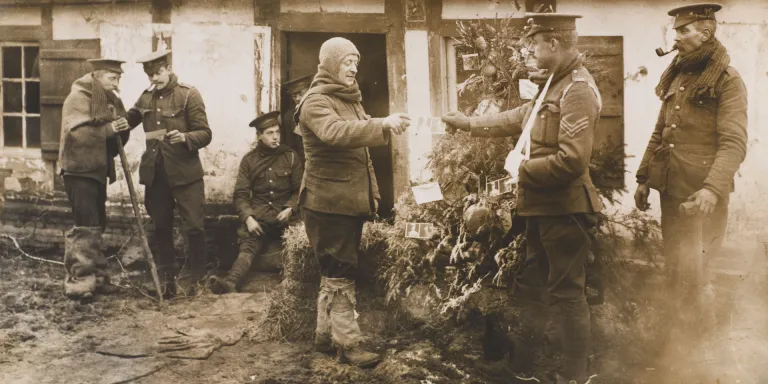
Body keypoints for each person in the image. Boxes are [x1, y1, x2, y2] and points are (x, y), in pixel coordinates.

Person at [442, 13, 602, 384]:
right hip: (544, 209)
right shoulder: (555, 84)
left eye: (534, 44)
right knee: (534, 289)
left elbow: (573, 160)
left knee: (567, 295)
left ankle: (573, 376)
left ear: (555, 44)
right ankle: (522, 367)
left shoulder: (576, 89)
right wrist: (467, 123)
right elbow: (518, 118)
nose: (528, 50)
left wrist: (522, 170)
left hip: (566, 210)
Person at [634, 2, 747, 358]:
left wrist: (712, 189)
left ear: (706, 32)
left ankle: (703, 356)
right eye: (675, 31)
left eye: (683, 31)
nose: (676, 37)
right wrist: (643, 177)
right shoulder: (679, 75)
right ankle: (675, 348)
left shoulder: (728, 81)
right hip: (673, 189)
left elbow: (734, 143)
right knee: (676, 269)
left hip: (702, 197)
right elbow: (660, 131)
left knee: (699, 275)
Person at [295, 37, 410, 368]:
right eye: (347, 61)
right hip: (327, 203)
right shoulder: (316, 102)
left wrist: (370, 195)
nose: (354, 67)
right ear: (330, 63)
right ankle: (347, 344)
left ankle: (323, 336)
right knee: (340, 270)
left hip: (342, 202)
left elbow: (358, 146)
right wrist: (381, 124)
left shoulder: (347, 99)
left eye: (356, 62)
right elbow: (335, 133)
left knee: (334, 269)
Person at [124, 50, 213, 297]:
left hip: (186, 175)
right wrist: (117, 121)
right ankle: (167, 282)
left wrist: (185, 137)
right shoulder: (145, 98)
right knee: (161, 228)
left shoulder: (188, 95)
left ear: (168, 68)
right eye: (149, 74)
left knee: (194, 227)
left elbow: (205, 133)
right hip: (157, 176)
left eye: (158, 72)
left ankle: (198, 280)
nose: (154, 78)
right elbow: (128, 121)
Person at [59, 58, 131, 299]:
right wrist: (111, 129)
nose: (117, 82)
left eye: (118, 78)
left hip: (98, 169)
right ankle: (79, 282)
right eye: (112, 77)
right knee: (84, 226)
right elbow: (77, 134)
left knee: (98, 223)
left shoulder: (111, 100)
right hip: (79, 171)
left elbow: (116, 138)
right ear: (98, 77)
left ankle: (98, 278)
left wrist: (123, 127)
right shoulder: (77, 99)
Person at [209, 111, 303, 294]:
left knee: (298, 243)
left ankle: (295, 285)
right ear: (259, 136)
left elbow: (300, 190)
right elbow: (241, 194)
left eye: (277, 132)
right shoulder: (249, 160)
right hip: (260, 216)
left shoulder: (290, 157)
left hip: (286, 215)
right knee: (249, 243)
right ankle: (230, 283)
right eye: (269, 133)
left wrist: (290, 209)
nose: (275, 137)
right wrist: (249, 218)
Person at [283, 74, 314, 160]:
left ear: (309, 91)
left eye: (301, 93)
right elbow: (289, 146)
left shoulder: (319, 111)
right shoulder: (288, 116)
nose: (297, 98)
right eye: (294, 95)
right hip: (300, 162)